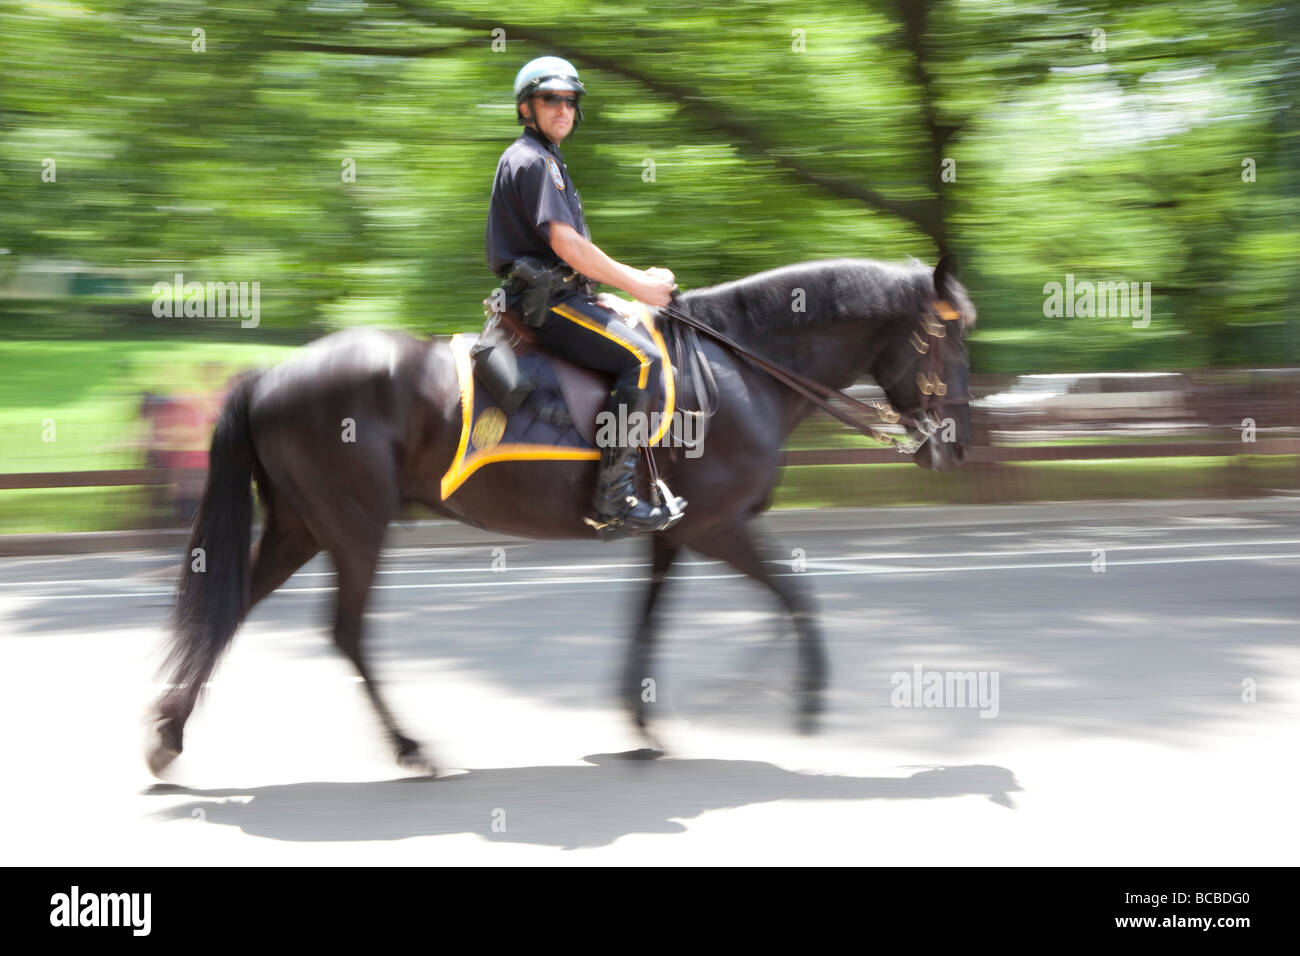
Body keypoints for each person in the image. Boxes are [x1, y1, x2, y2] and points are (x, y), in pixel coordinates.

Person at [486, 55, 686, 537]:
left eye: (570, 101)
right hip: (546, 308)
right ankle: (612, 500)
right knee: (642, 361)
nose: (562, 109)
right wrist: (637, 284)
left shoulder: (544, 160)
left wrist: (601, 297)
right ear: (525, 109)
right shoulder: (534, 161)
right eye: (550, 99)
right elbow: (566, 245)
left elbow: (564, 258)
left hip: (557, 297)